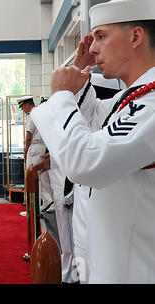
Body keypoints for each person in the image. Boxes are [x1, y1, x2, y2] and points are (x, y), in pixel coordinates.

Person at [30, 0, 155, 283]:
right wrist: (77, 75)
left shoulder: (150, 104)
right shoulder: (130, 99)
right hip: (107, 256)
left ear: (135, 37)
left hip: (132, 268)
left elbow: (85, 162)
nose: (93, 48)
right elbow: (90, 125)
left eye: (101, 36)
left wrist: (62, 95)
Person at [20, 96, 54, 213]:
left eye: (22, 107)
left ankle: (36, 205)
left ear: (27, 105)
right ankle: (48, 200)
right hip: (42, 146)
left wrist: (25, 149)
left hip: (35, 147)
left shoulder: (32, 115)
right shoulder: (41, 113)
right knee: (41, 175)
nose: (23, 110)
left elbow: (29, 135)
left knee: (32, 176)